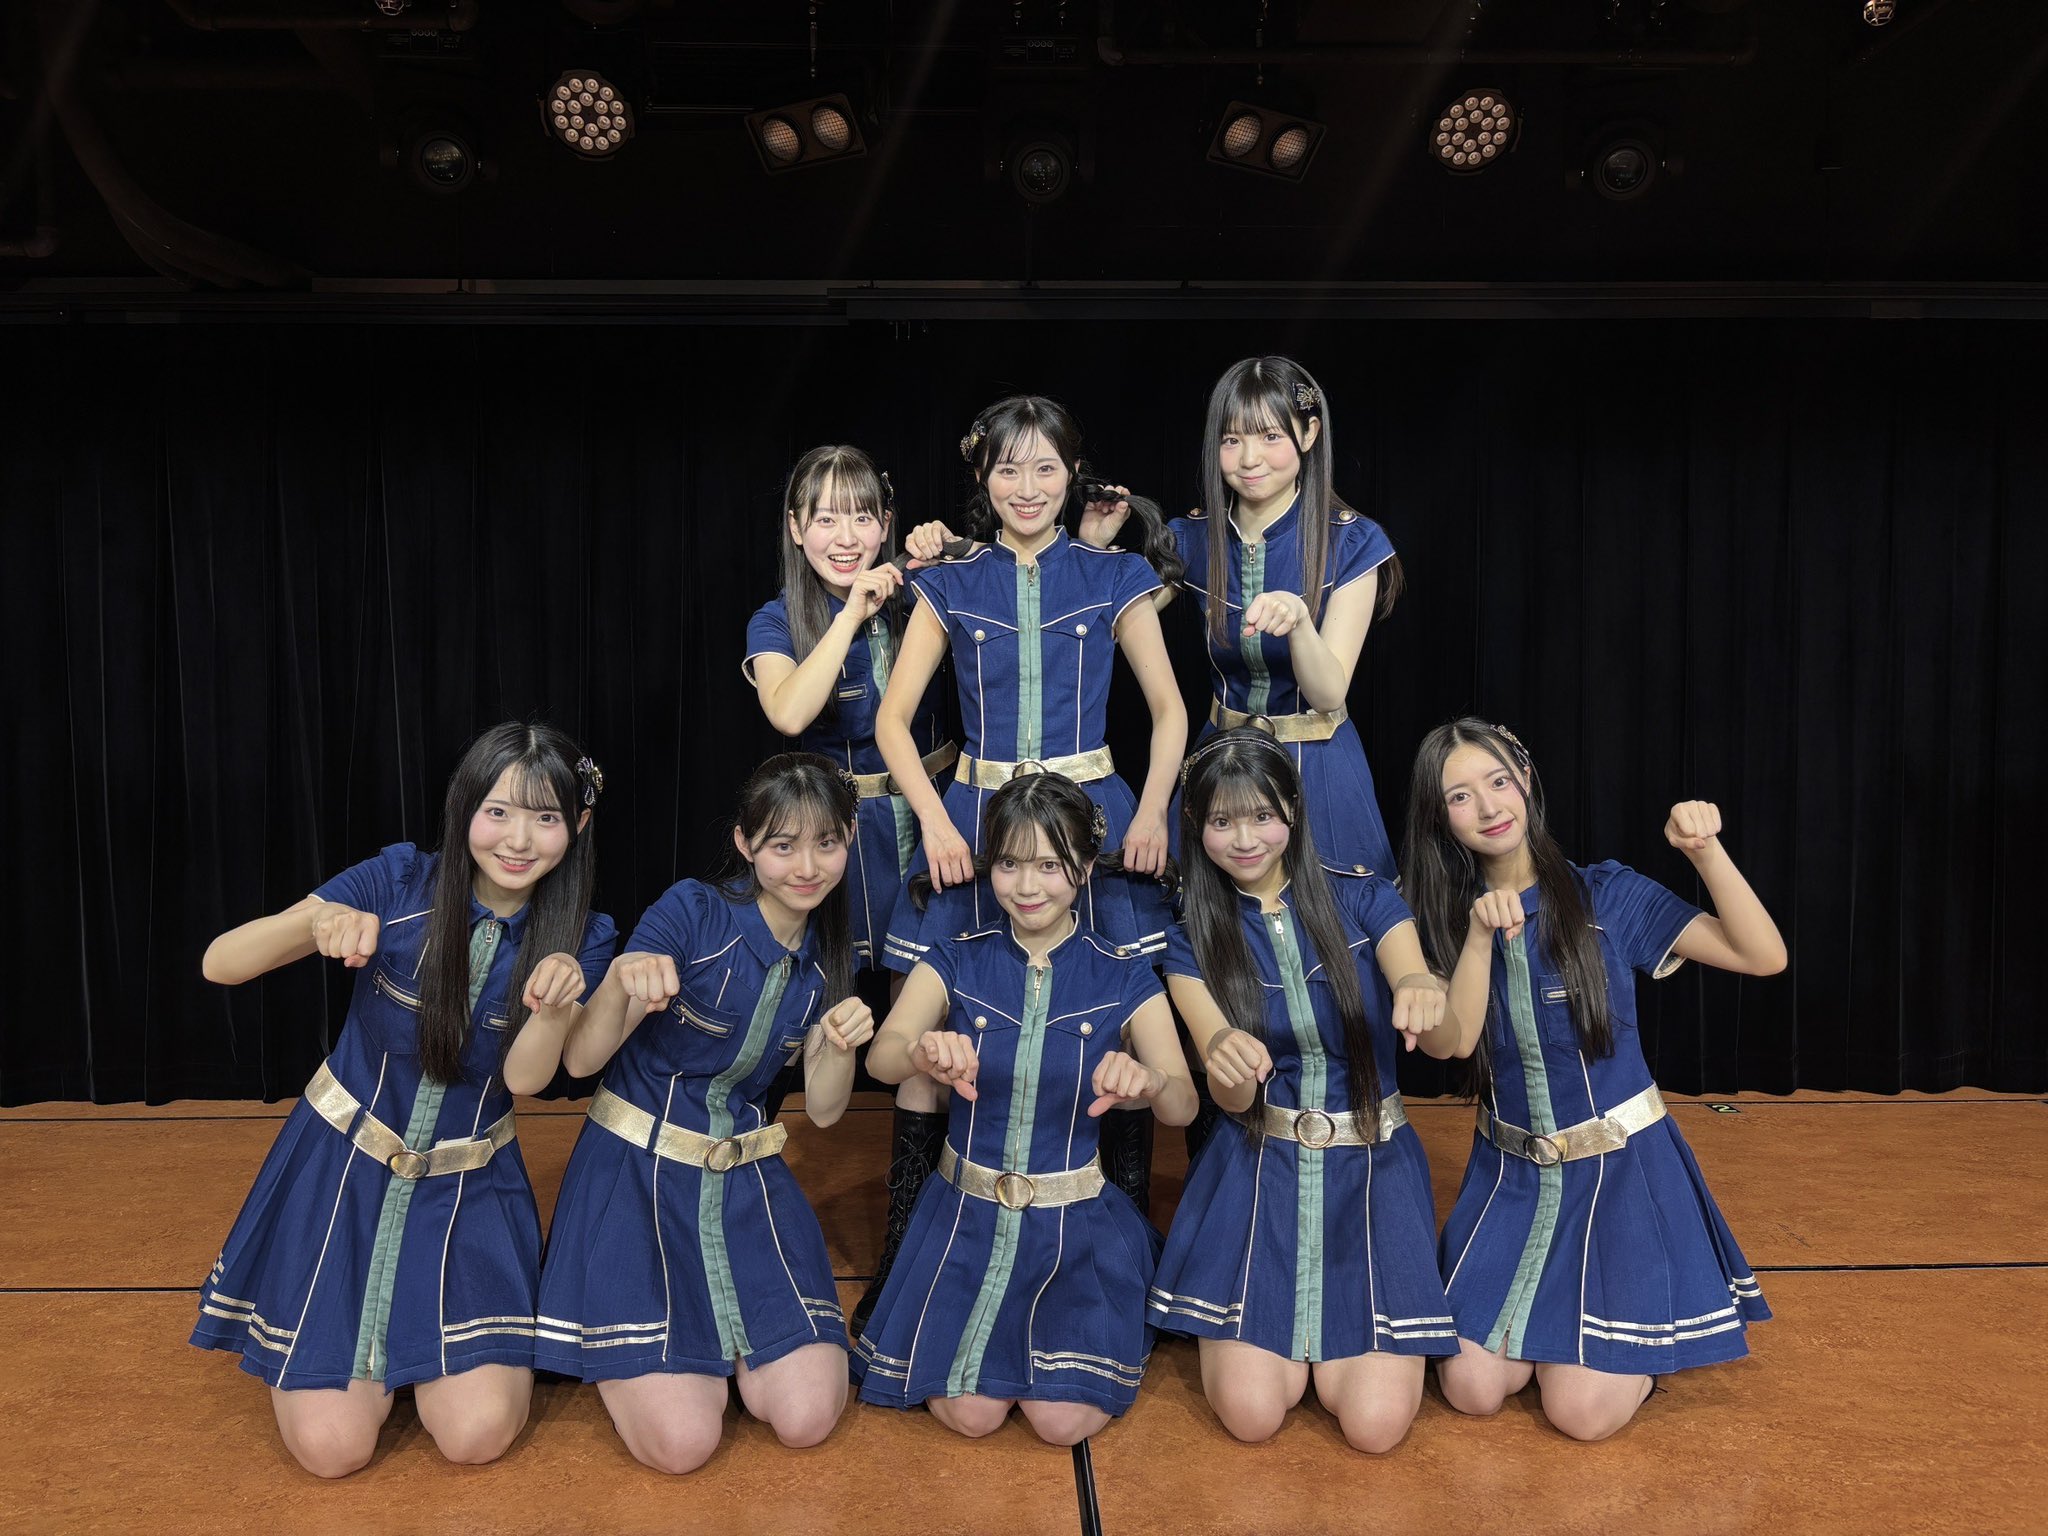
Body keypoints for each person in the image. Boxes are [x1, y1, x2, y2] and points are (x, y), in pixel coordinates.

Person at [192, 722, 614, 1476]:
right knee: (332, 1451)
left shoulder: (584, 934)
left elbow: (526, 1082)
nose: (518, 840)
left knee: (478, 1437)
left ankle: (426, 1351)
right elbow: (221, 962)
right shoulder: (396, 880)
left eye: (546, 818)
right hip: (339, 1179)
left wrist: (554, 1010)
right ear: (463, 807)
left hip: (470, 1193)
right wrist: (317, 922)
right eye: (498, 811)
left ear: (577, 825)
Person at [1404, 718, 1785, 1441]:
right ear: (1438, 815)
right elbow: (1452, 1046)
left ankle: (1630, 1342)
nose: (1488, 806)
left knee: (1579, 1415)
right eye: (1459, 795)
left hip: (1622, 1179)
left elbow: (1762, 955)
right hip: (1510, 1182)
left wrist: (1705, 852)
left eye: (1498, 780)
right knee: (1471, 1389)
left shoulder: (1605, 894)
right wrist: (1477, 939)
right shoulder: (1432, 917)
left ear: (1526, 778)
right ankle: (1567, 1335)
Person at [875, 395, 1189, 1223]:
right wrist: (936, 822)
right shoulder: (948, 579)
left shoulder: (1115, 574)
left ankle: (1119, 1231)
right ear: (982, 474)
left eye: (1046, 467)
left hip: (1094, 820)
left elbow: (1169, 710)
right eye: (1008, 468)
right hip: (977, 819)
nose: (1027, 486)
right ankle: (915, 1236)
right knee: (935, 1021)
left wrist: (1152, 813)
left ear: (1072, 472)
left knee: (1114, 1024)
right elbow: (892, 721)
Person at [535, 753, 874, 1473]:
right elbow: (582, 1061)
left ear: (849, 837)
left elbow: (824, 1111)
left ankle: (714, 1350)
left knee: (809, 1417)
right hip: (637, 1180)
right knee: (684, 1444)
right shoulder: (692, 910)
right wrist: (621, 983)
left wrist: (841, 1047)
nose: (806, 866)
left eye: (826, 843)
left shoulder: (829, 951)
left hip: (745, 1182)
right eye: (783, 845)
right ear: (746, 844)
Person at [853, 772, 1198, 1443]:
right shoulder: (954, 958)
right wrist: (923, 1052)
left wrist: (1151, 1082)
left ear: (1085, 869)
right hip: (965, 1219)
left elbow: (1183, 1104)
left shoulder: (1125, 972)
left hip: (1074, 1230)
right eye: (1009, 864)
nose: (1027, 885)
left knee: (1063, 1422)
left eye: (1049, 864)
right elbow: (882, 1059)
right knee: (972, 1416)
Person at [1149, 728, 1455, 1453]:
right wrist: (1224, 1061)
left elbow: (1415, 980)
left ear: (1293, 807)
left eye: (1262, 815)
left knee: (1376, 1427)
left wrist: (1421, 985)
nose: (1244, 839)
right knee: (1252, 1416)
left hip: (1374, 1175)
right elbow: (1229, 1099)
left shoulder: (1366, 897)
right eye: (1222, 821)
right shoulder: (1189, 939)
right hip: (1256, 1175)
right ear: (1195, 826)